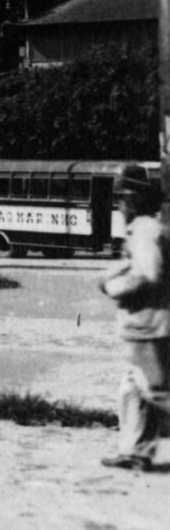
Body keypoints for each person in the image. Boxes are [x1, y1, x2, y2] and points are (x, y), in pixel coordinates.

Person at [98, 164, 170, 471]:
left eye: (123, 199)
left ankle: (135, 449)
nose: (120, 205)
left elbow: (148, 272)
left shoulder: (143, 230)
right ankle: (135, 451)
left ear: (135, 199)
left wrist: (113, 286)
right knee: (135, 389)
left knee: (155, 391)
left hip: (148, 325)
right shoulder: (149, 228)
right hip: (150, 324)